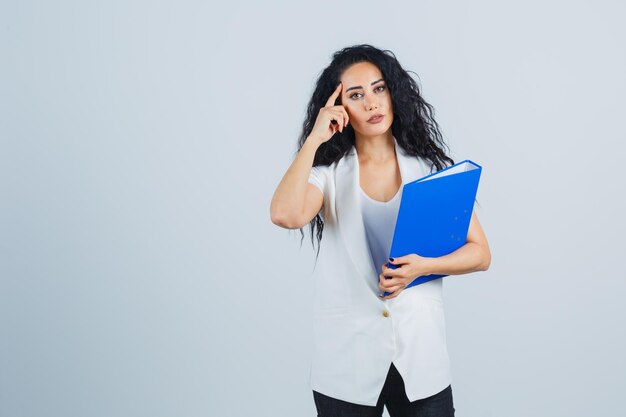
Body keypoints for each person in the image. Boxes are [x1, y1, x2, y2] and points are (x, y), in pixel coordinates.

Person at [270, 44, 491, 417]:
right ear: (339, 109)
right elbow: (285, 214)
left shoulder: (429, 172)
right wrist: (314, 140)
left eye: (379, 88)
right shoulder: (327, 177)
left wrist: (424, 266)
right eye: (356, 95)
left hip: (421, 359)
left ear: (393, 93)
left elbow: (481, 253)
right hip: (346, 364)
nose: (372, 103)